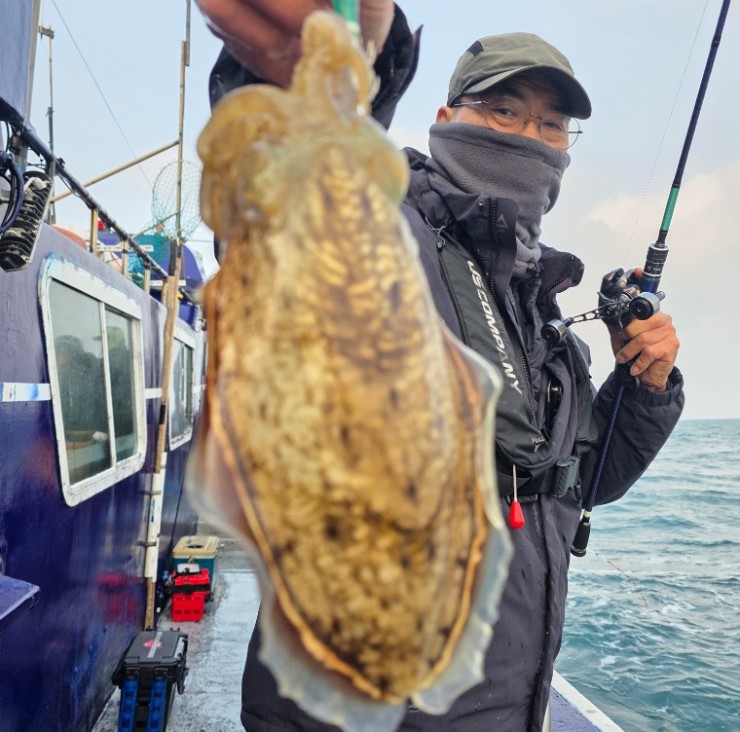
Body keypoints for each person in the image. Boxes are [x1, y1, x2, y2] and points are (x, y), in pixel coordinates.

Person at [196, 2, 684, 730]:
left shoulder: (544, 315)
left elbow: (578, 484)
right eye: (504, 110)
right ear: (446, 117)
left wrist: (644, 386)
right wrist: (322, 61)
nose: (530, 136)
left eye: (552, 124)